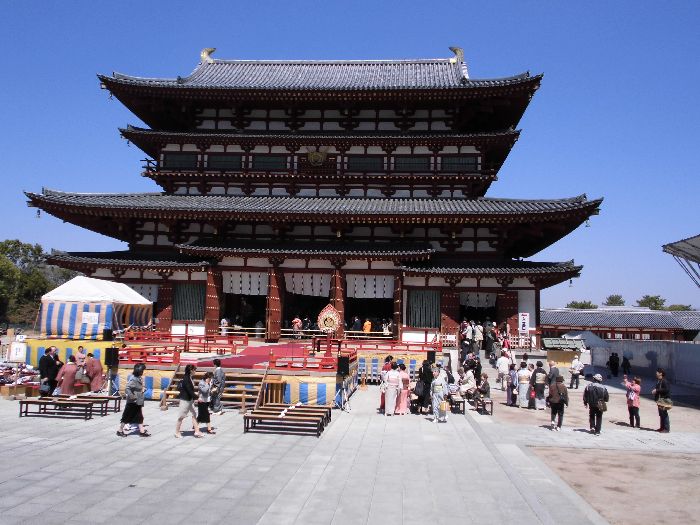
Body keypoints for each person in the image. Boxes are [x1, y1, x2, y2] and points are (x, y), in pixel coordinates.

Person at [117, 363, 150, 437]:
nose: (143, 372)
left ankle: (142, 431)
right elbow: (127, 389)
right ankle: (120, 430)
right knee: (126, 416)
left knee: (139, 416)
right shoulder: (133, 378)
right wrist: (133, 396)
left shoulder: (139, 378)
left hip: (138, 400)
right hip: (132, 401)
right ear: (139, 371)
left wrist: (142, 389)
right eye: (142, 370)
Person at [175, 364, 204, 438]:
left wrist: (194, 398)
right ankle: (177, 432)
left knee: (194, 414)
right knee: (181, 416)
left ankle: (197, 431)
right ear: (191, 370)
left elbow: (191, 391)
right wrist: (197, 398)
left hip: (190, 399)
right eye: (195, 370)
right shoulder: (186, 378)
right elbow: (189, 391)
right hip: (185, 400)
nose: (195, 371)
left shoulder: (190, 377)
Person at [652, 368, 671, 433]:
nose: (656, 373)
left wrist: (657, 390)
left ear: (661, 373)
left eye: (657, 372)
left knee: (664, 414)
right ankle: (662, 427)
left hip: (664, 399)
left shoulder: (664, 381)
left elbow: (666, 389)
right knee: (661, 414)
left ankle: (666, 429)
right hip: (660, 400)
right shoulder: (659, 381)